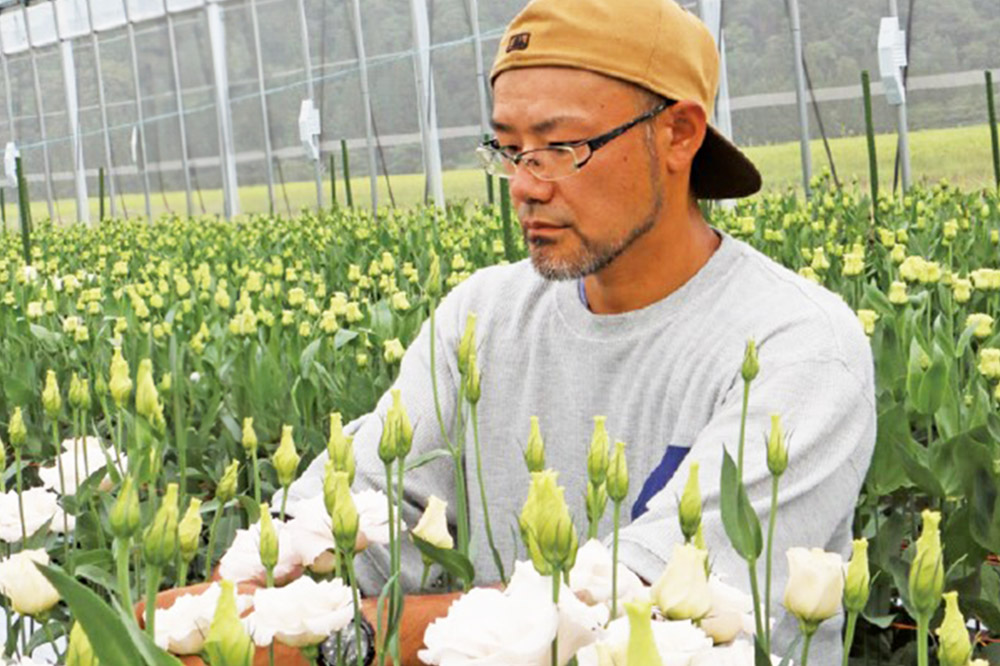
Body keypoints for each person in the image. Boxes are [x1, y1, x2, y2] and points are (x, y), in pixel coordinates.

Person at [161, 0, 875, 664]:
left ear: (678, 134)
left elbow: (637, 619)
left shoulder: (797, 346)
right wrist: (233, 601)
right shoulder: (483, 317)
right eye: (507, 148)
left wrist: (318, 638)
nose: (526, 184)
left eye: (561, 146)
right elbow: (356, 512)